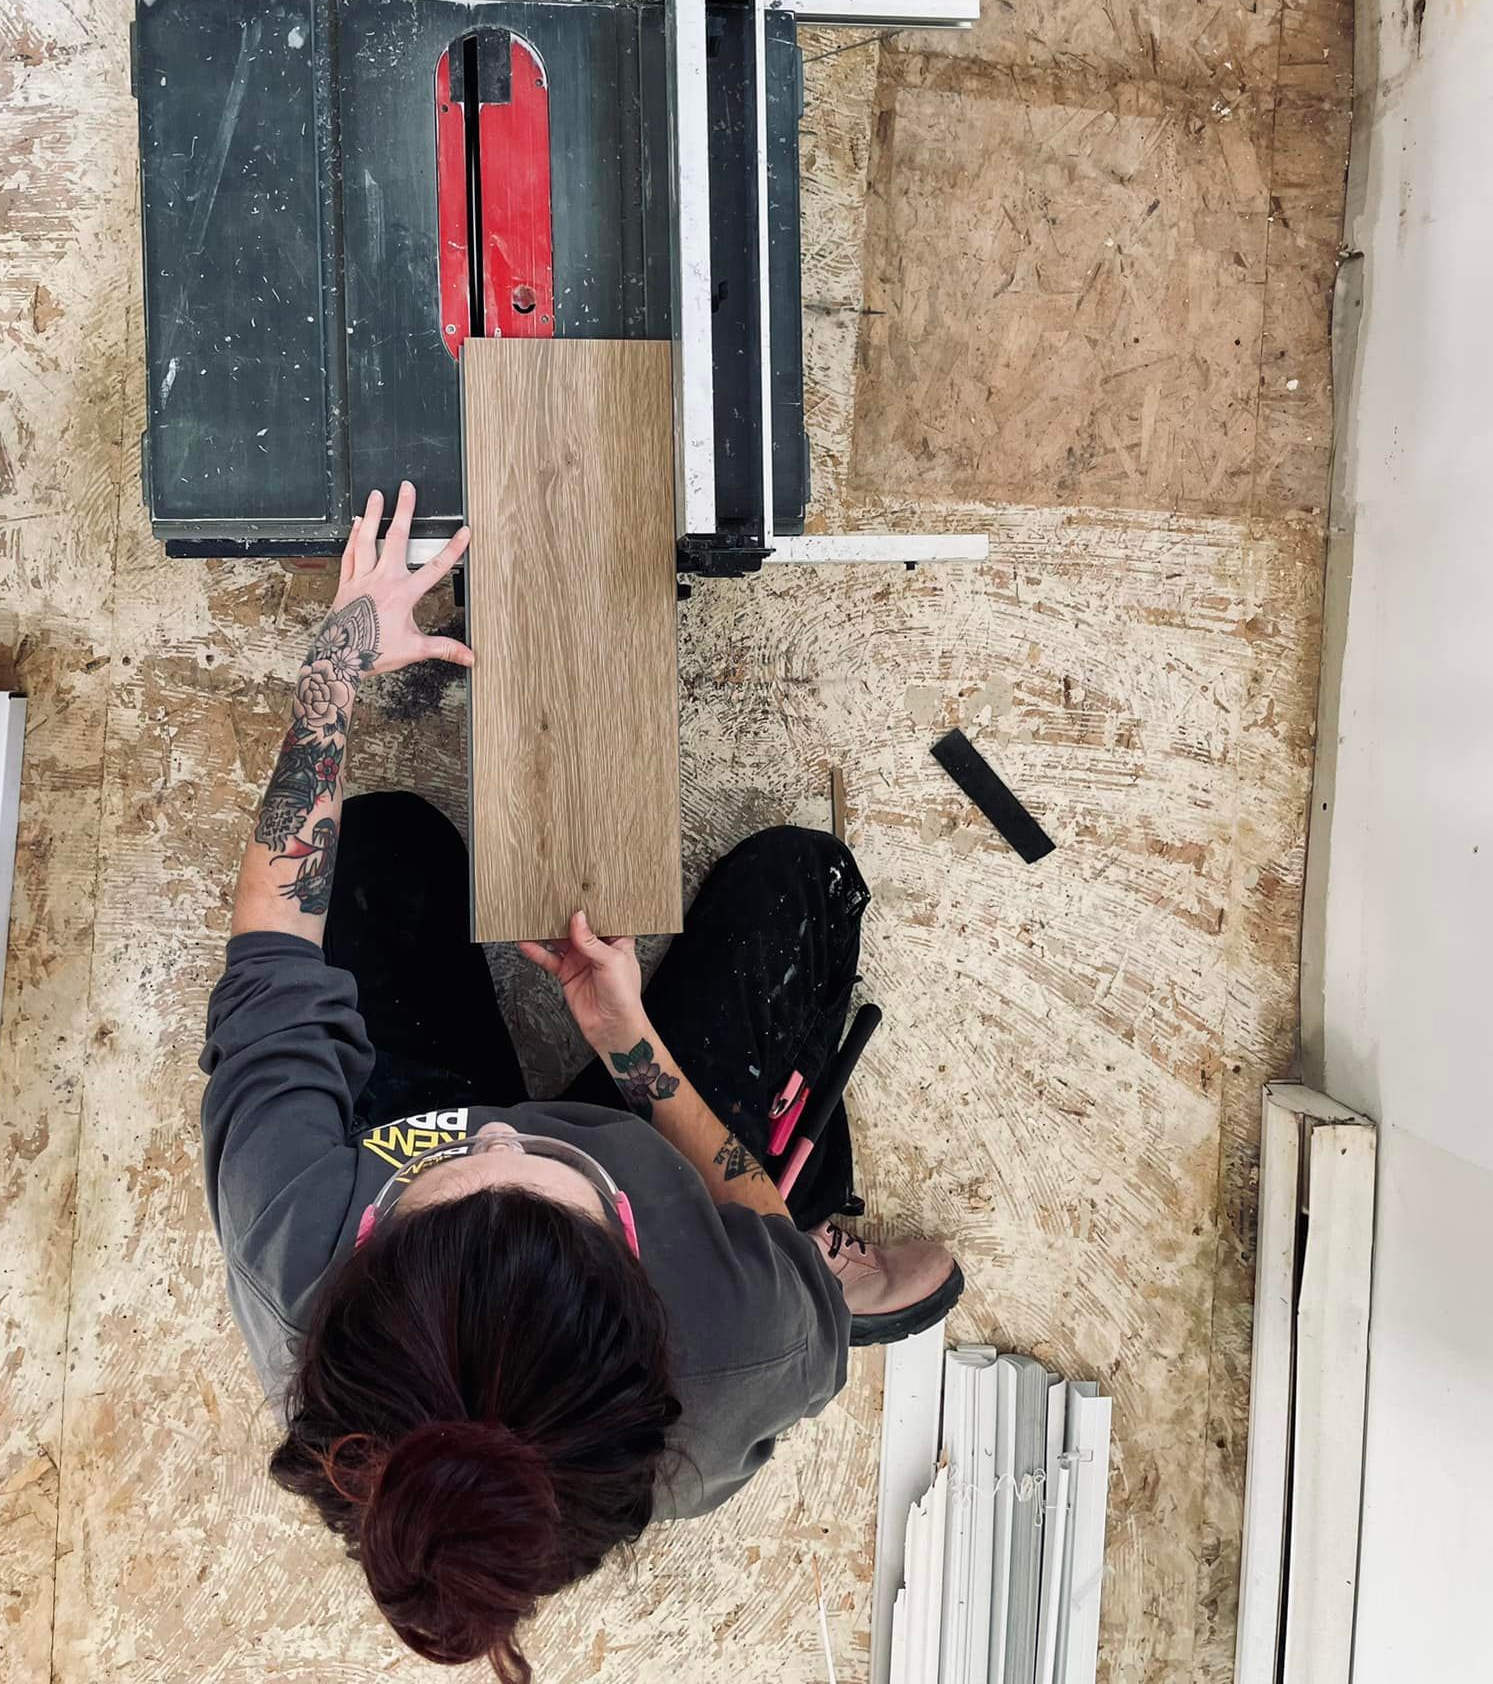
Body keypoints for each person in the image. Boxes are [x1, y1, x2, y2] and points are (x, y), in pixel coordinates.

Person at [201, 482, 964, 1678]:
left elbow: (273, 946)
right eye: (554, 1171)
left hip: (387, 1138)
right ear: (638, 1270)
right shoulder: (739, 1347)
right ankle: (844, 1256)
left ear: (376, 1241)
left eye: (458, 1165)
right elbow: (750, 1213)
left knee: (383, 842)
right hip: (696, 1224)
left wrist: (340, 658)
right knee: (801, 884)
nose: (505, 1134)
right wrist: (634, 1051)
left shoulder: (292, 1238)